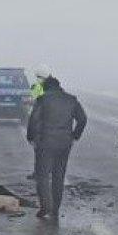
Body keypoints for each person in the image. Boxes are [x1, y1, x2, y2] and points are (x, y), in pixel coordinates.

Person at [26, 75, 86, 220]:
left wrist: (31, 137)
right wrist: (74, 136)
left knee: (43, 175)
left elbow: (34, 119)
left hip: (45, 143)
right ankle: (56, 208)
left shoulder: (42, 99)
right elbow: (82, 119)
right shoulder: (71, 99)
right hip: (65, 143)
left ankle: (46, 205)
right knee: (59, 176)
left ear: (46, 87)